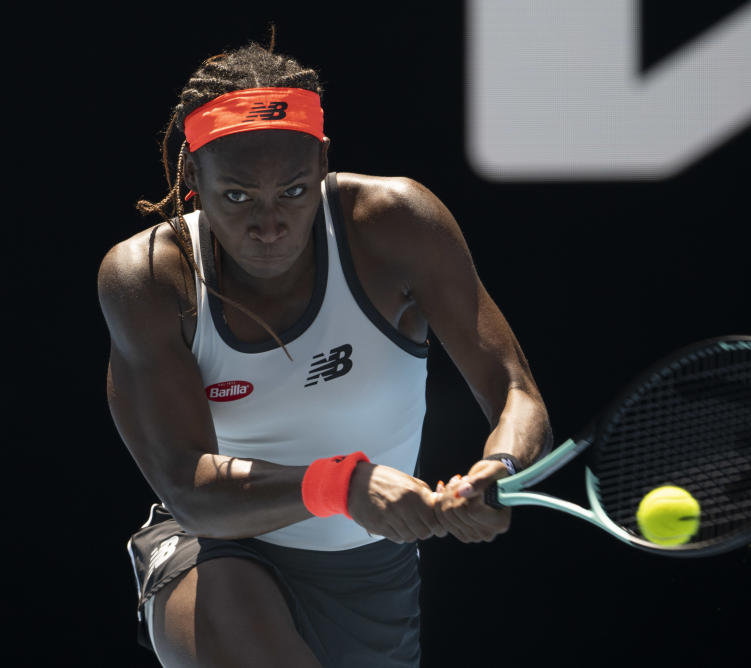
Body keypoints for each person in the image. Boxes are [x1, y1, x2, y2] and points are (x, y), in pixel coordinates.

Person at [97, 39, 552, 668]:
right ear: (194, 175)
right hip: (217, 548)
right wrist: (342, 484)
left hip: (373, 577)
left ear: (323, 162)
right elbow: (189, 489)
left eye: (292, 189)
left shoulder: (397, 224)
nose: (269, 223)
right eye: (237, 196)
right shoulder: (149, 277)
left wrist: (502, 469)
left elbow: (517, 395)